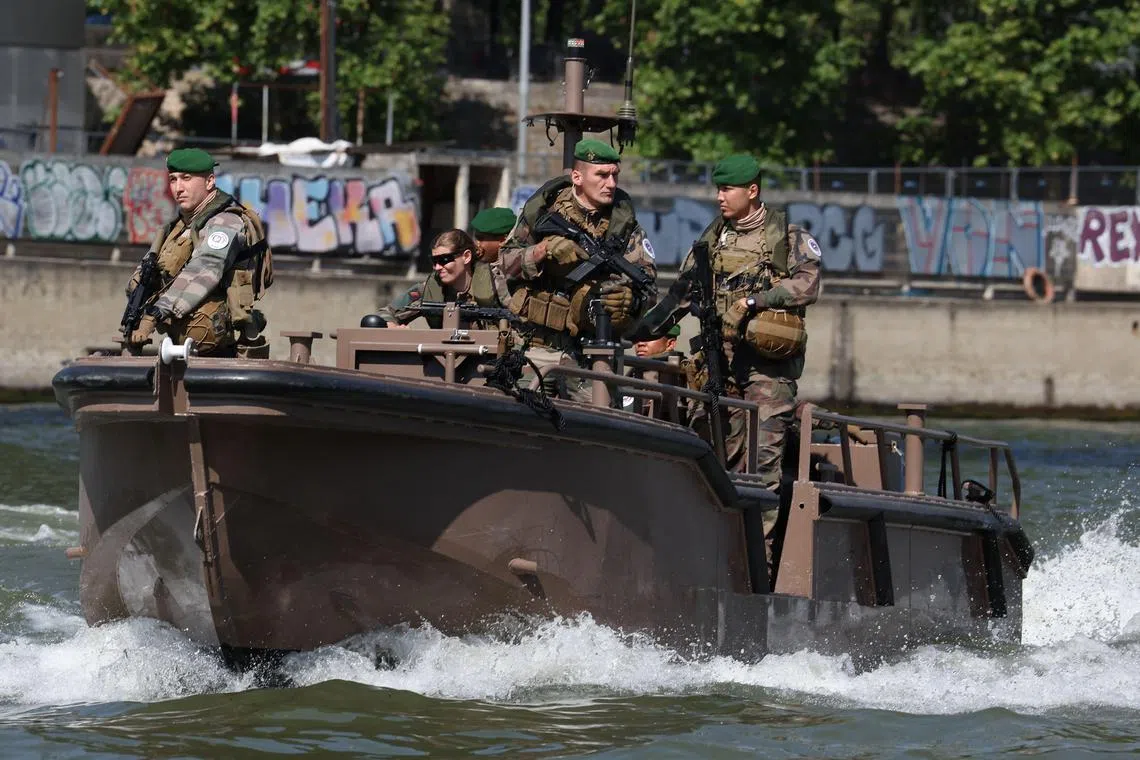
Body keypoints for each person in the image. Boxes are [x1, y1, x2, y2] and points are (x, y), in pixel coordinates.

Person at [632, 153, 821, 489]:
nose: (719, 196)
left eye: (727, 189)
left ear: (752, 190)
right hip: (719, 365)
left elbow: (807, 285)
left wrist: (754, 301)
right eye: (718, 188)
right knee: (718, 460)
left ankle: (760, 541)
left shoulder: (786, 238)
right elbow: (681, 295)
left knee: (763, 468)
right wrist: (636, 330)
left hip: (768, 372)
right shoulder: (710, 242)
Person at [498, 138, 657, 402]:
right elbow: (503, 263)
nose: (611, 184)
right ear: (577, 177)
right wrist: (541, 251)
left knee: (596, 428)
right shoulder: (541, 214)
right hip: (533, 346)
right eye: (602, 175)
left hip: (591, 353)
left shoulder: (625, 228)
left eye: (615, 175)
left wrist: (631, 300)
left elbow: (649, 289)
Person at [126, 148, 272, 357]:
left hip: (216, 340)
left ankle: (253, 322)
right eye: (173, 179)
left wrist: (157, 312)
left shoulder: (226, 222)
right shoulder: (177, 227)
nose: (178, 188)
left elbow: (205, 268)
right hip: (181, 339)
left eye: (186, 178)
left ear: (209, 181)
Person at [377, 228, 510, 329]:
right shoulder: (430, 289)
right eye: (434, 261)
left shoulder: (496, 284)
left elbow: (520, 323)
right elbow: (385, 313)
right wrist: (393, 327)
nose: (437, 267)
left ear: (467, 256)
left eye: (444, 260)